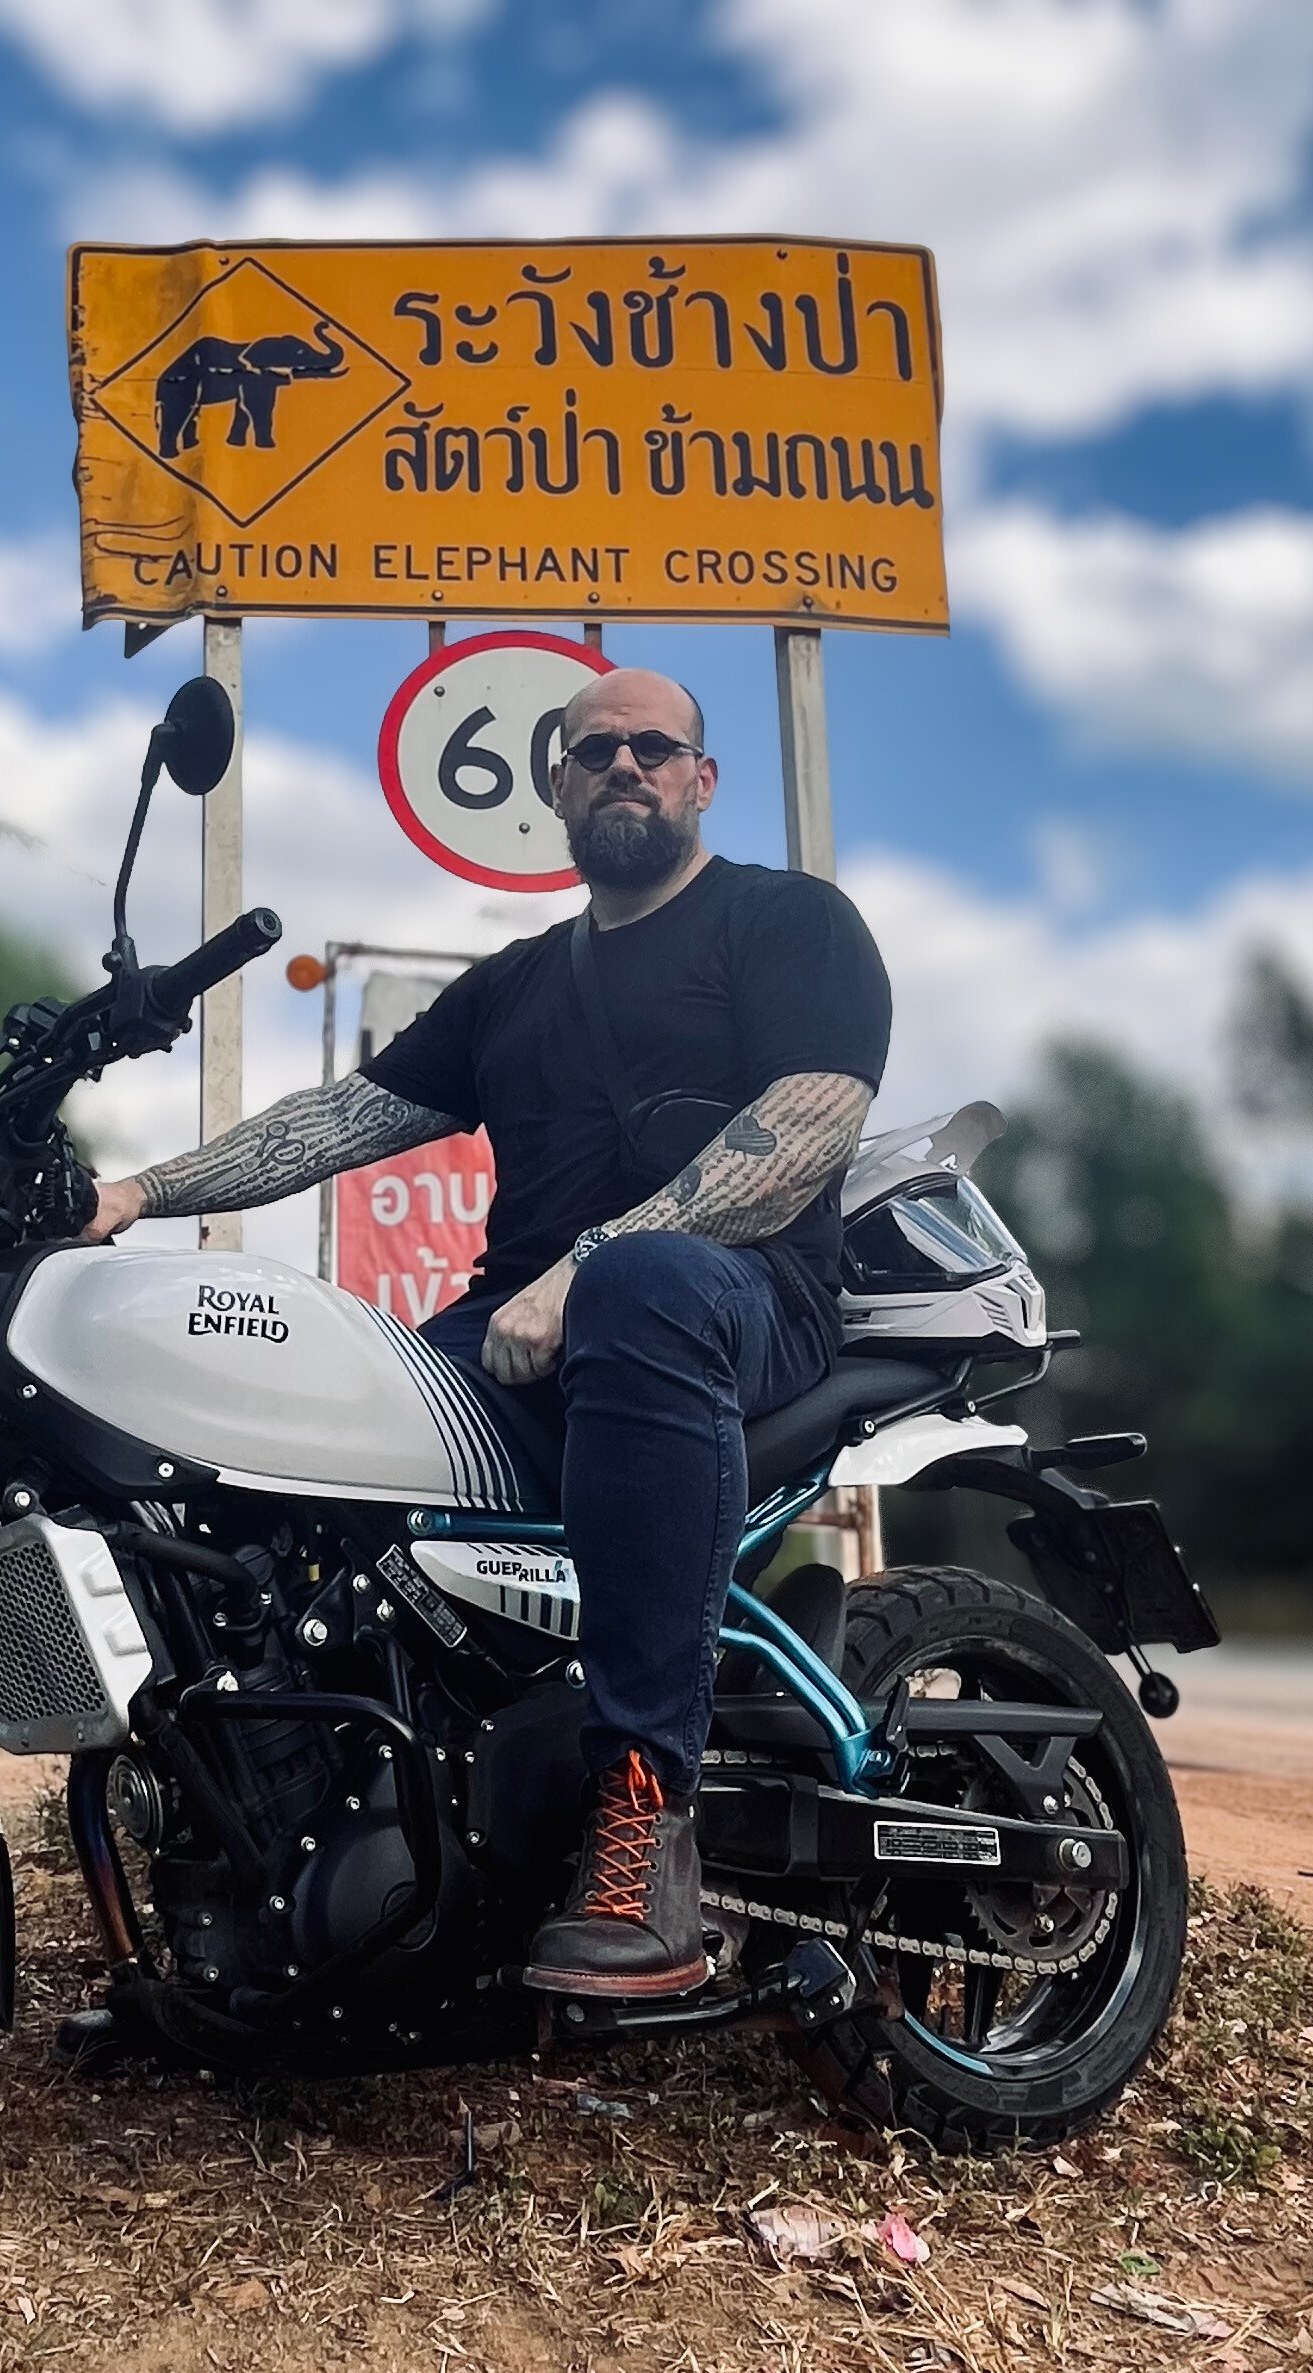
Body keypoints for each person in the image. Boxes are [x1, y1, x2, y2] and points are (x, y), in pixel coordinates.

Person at [81, 668, 891, 1999]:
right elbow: (330, 1126)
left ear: (699, 779)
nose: (622, 764)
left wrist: (587, 1262)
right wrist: (133, 1193)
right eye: (593, 751)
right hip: (522, 1327)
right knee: (289, 1402)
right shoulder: (515, 988)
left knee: (640, 1290)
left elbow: (806, 1127)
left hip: (739, 1304)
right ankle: (280, 1839)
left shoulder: (786, 922)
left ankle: (647, 1820)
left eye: (651, 747)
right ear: (555, 788)